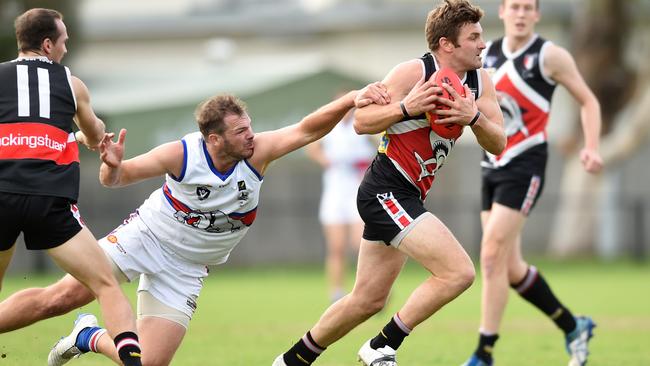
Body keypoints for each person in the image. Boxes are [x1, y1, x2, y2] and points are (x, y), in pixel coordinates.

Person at [0, 80, 389, 365]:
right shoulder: (181, 154)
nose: (252, 136)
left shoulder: (257, 153)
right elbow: (115, 179)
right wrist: (112, 164)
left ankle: (88, 336)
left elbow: (306, 128)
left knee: (149, 364)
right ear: (214, 140)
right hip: (146, 237)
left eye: (250, 127)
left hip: (186, 269)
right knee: (61, 298)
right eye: (241, 132)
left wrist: (351, 102)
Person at [274, 1, 506, 365]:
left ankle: (290, 361)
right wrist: (407, 107)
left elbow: (499, 143)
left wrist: (473, 116)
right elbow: (362, 122)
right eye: (474, 37)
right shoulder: (412, 71)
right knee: (458, 272)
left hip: (408, 195)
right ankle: (382, 346)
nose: (482, 44)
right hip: (385, 190)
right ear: (447, 44)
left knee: (367, 300)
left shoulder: (480, 82)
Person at [462, 1, 603, 365]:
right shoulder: (485, 53)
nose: (521, 13)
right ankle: (575, 326)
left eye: (528, 7)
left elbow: (588, 101)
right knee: (507, 268)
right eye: (515, 6)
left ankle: (484, 353)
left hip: (526, 162)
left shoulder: (550, 56)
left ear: (537, 14)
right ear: (502, 11)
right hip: (490, 161)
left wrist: (590, 147)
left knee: (491, 253)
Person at [0, 8, 142, 366]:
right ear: (47, 45)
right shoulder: (70, 83)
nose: (65, 48)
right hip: (50, 202)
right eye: (63, 42)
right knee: (106, 285)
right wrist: (94, 137)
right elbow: (95, 134)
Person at [305, 100, 376, 303]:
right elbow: (312, 146)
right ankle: (336, 292)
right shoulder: (331, 128)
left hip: (357, 193)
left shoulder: (363, 126)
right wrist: (325, 160)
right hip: (334, 194)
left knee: (361, 243)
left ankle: (371, 290)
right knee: (336, 246)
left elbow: (378, 148)